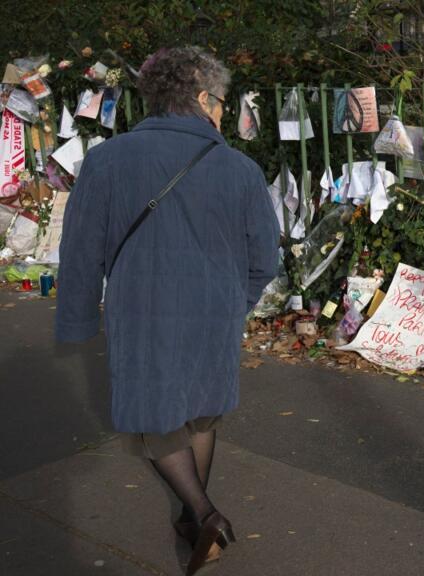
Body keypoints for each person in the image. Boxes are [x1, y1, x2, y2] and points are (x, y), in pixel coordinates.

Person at [56, 46, 279, 575]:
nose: (224, 111)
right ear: (203, 99)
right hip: (216, 311)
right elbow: (264, 258)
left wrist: (79, 319)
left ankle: (202, 513)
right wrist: (235, 302)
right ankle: (192, 513)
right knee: (202, 409)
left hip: (142, 312)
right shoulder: (240, 169)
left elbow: (81, 251)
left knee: (156, 417)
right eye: (223, 101)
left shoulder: (107, 160)